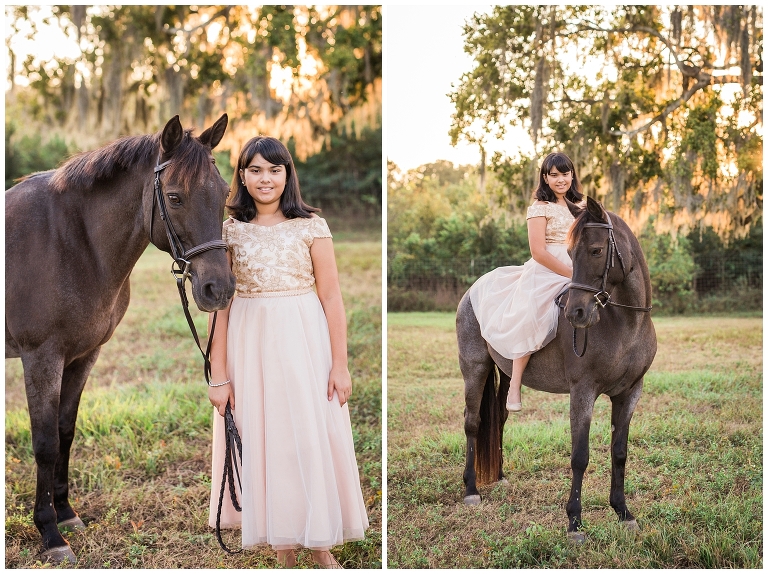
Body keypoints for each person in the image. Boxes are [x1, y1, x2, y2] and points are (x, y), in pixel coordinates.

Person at [206, 136, 369, 568]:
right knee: (266, 437)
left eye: (274, 170)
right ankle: (283, 544)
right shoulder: (227, 230)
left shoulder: (311, 225)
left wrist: (340, 364)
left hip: (303, 341)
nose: (265, 179)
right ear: (241, 175)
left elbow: (332, 298)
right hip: (249, 341)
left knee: (307, 435)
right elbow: (219, 309)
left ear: (287, 174)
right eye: (255, 170)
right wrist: (218, 375)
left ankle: (319, 541)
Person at [469, 152, 583, 412]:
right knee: (532, 312)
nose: (560, 179)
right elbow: (538, 252)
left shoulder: (582, 207)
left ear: (572, 175)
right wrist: (569, 274)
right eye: (554, 175)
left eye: (565, 174)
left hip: (580, 266)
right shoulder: (539, 208)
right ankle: (515, 383)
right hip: (546, 270)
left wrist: (582, 272)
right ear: (545, 178)